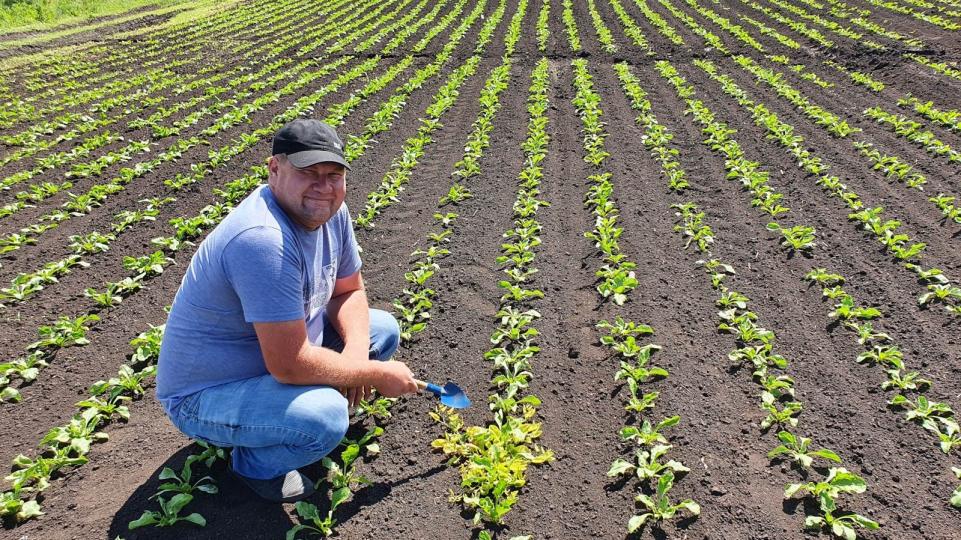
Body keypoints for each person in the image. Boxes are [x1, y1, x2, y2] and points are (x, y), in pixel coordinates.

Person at [155, 119, 420, 503]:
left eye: (333, 174)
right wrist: (373, 373)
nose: (324, 187)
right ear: (274, 170)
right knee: (326, 417)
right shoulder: (262, 240)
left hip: (273, 359)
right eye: (308, 173)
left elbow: (349, 292)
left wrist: (357, 357)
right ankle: (253, 465)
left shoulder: (331, 213)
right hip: (207, 395)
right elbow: (289, 365)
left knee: (381, 329)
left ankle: (289, 414)